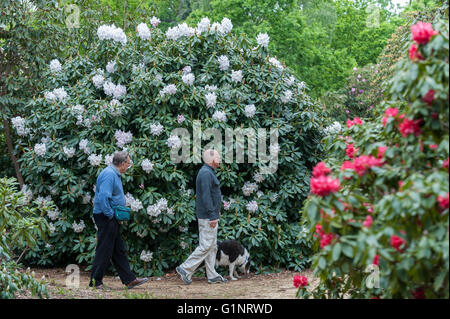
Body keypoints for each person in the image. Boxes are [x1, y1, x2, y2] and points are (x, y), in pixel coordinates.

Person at [89, 151, 148, 290]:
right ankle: (95, 282)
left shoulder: (113, 174)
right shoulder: (109, 175)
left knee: (118, 250)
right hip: (106, 216)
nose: (129, 166)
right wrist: (110, 215)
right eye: (128, 163)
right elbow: (103, 197)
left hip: (109, 216)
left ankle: (129, 280)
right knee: (105, 249)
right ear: (122, 164)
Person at [176, 149, 228, 284]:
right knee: (206, 245)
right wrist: (212, 215)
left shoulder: (208, 172)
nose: (220, 158)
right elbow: (205, 197)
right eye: (218, 156)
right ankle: (185, 268)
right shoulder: (205, 173)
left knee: (212, 246)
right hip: (207, 216)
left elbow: (211, 195)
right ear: (211, 159)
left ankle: (212, 275)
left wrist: (216, 212)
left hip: (210, 215)